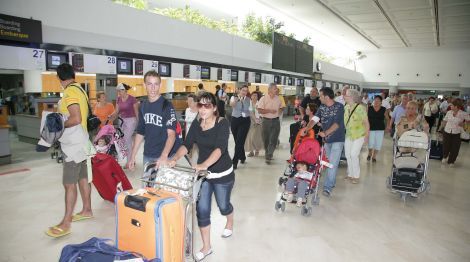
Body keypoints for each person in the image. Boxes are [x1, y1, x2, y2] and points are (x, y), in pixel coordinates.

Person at [164, 92, 234, 262]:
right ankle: (206, 246)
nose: (202, 109)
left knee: (223, 206)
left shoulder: (222, 123)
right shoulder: (196, 124)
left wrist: (204, 164)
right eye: (200, 105)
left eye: (207, 105)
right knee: (202, 210)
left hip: (222, 173)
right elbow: (186, 145)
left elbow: (220, 149)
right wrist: (174, 158)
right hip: (203, 176)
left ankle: (230, 221)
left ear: (215, 108)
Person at [46, 63, 92, 238]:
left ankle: (66, 222)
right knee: (82, 177)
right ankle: (87, 209)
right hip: (83, 141)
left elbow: (76, 118)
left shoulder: (70, 92)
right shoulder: (80, 90)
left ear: (59, 78)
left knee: (68, 183)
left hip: (73, 145)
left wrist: (57, 125)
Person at [127, 70, 181, 170]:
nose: (153, 88)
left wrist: (164, 156)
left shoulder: (167, 106)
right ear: (144, 85)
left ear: (160, 85)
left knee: (162, 186)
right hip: (148, 155)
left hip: (165, 156)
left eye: (156, 84)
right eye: (149, 84)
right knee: (147, 185)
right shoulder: (143, 106)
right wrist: (132, 156)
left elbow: (171, 135)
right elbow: (140, 132)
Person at [304, 87, 345, 197]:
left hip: (337, 139)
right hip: (327, 141)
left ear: (326, 97)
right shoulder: (322, 107)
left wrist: (325, 133)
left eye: (320, 96)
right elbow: (314, 119)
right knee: (326, 163)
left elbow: (337, 124)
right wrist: (307, 129)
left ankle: (328, 187)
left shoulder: (339, 107)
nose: (319, 97)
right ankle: (331, 181)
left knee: (332, 164)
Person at [343, 89, 369, 184]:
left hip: (359, 135)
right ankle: (350, 174)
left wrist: (367, 136)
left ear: (352, 97)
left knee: (354, 154)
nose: (344, 96)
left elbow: (366, 122)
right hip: (348, 135)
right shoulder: (346, 107)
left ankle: (356, 176)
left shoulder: (360, 108)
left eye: (346, 95)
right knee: (347, 155)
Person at [257, 83, 284, 164]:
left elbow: (282, 107)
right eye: (275, 88)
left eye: (276, 88)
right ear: (270, 90)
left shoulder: (278, 98)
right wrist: (269, 110)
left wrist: (280, 111)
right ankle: (267, 152)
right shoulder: (263, 98)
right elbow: (259, 110)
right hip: (265, 121)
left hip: (276, 121)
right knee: (266, 139)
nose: (276, 90)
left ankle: (269, 155)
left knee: (274, 139)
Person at [112, 83, 139, 161]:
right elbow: (116, 111)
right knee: (124, 139)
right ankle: (131, 159)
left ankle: (130, 161)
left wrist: (139, 123)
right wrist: (111, 116)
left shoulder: (132, 99)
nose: (119, 93)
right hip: (122, 120)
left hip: (131, 120)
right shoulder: (118, 99)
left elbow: (136, 112)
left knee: (127, 138)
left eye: (120, 91)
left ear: (124, 90)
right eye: (118, 91)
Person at [439, 98, 469, 166]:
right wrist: (440, 130)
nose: (450, 106)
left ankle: (451, 161)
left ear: (456, 106)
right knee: (446, 146)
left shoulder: (463, 114)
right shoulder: (449, 112)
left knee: (455, 148)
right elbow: (444, 121)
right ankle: (445, 156)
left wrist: (464, 124)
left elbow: (468, 121)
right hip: (447, 131)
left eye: (452, 105)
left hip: (457, 133)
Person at [229, 85, 251, 169]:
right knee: (238, 141)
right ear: (239, 90)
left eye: (246, 91)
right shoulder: (233, 97)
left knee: (239, 141)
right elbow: (232, 105)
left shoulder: (249, 100)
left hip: (245, 121)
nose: (244, 92)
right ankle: (242, 156)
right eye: (243, 90)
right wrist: (238, 100)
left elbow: (249, 110)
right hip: (235, 120)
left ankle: (234, 161)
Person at [367, 95, 388, 162]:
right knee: (371, 142)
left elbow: (387, 118)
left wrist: (388, 126)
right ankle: (370, 153)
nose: (376, 101)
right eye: (375, 100)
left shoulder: (384, 109)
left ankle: (374, 156)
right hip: (371, 128)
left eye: (378, 100)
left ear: (381, 102)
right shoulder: (369, 108)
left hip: (380, 128)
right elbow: (365, 118)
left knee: (378, 143)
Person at [245, 91, 263, 157]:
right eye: (253, 95)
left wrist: (258, 119)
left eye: (256, 95)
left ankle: (257, 150)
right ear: (251, 96)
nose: (254, 97)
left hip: (258, 121)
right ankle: (251, 151)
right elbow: (249, 112)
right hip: (250, 122)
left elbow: (261, 113)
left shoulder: (260, 103)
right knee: (249, 137)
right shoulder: (248, 103)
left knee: (256, 137)